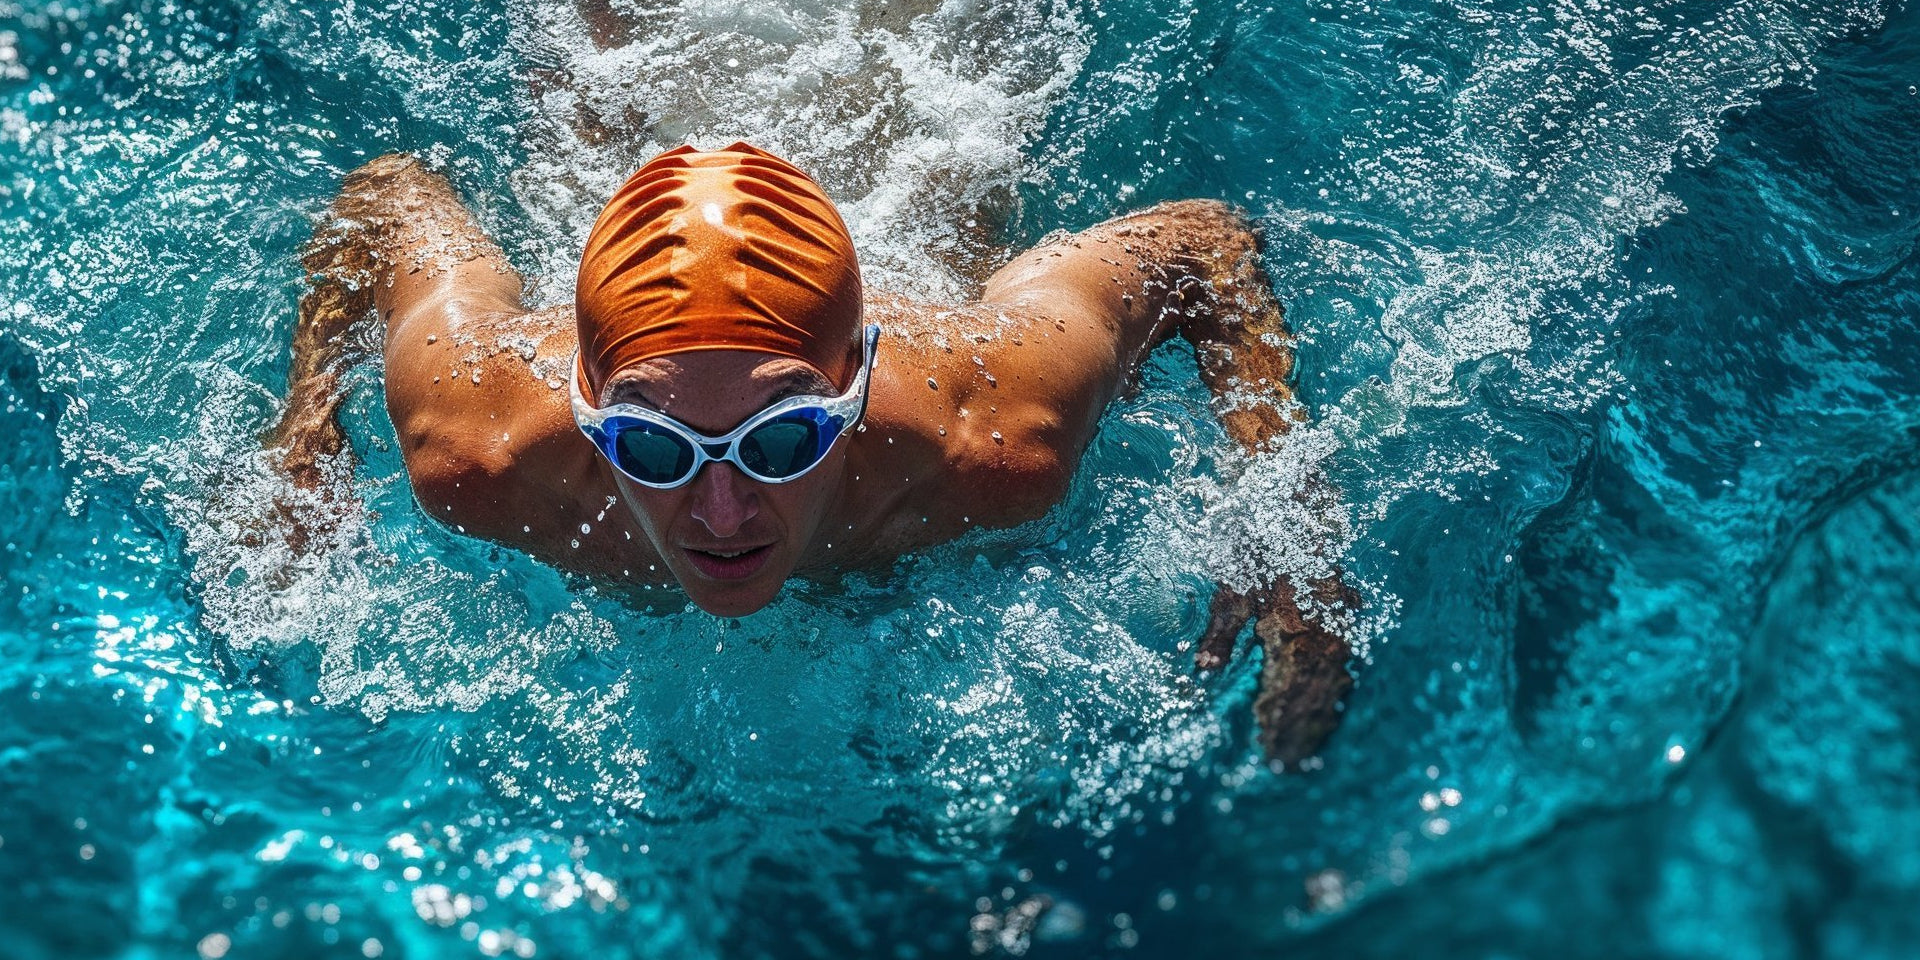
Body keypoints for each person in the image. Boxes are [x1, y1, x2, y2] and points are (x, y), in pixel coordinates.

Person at [268, 142, 1353, 763]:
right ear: (585, 409)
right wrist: (303, 441)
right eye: (651, 446)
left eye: (786, 437)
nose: (723, 510)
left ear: (857, 390)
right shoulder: (478, 444)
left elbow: (1202, 242)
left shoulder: (996, 427)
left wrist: (1286, 522)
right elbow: (385, 200)